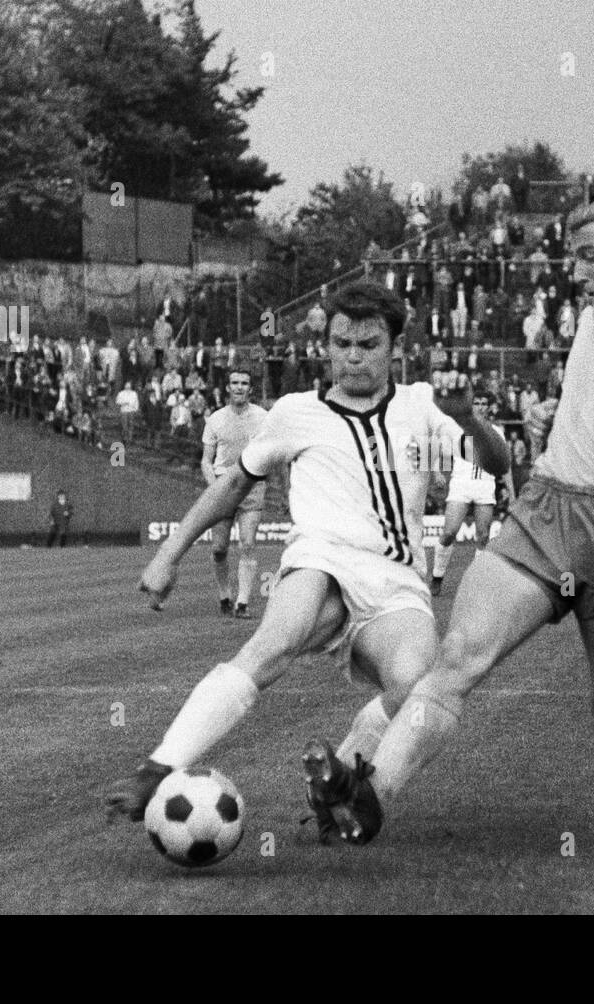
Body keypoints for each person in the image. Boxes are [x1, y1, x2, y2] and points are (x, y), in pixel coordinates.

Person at [304, 194, 594, 845]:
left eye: (589, 256)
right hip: (549, 509)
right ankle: (370, 792)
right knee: (459, 656)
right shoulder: (588, 318)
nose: (574, 271)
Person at [102, 282, 509, 839]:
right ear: (327, 345)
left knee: (415, 688)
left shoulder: (421, 406)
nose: (352, 356)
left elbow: (497, 460)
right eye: (341, 343)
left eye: (367, 344)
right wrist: (171, 553)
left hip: (394, 579)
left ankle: (337, 784)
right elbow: (231, 484)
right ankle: (159, 768)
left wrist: (471, 421)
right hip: (319, 557)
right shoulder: (295, 412)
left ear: (394, 347)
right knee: (275, 641)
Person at [430, 392, 515, 595]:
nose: (480, 406)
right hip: (461, 483)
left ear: (489, 407)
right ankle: (437, 575)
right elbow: (436, 449)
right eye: (476, 402)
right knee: (450, 532)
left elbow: (506, 465)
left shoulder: (497, 431)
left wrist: (512, 494)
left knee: (483, 536)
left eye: (484, 403)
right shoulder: (458, 430)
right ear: (471, 405)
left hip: (485, 484)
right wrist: (436, 472)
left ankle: (476, 583)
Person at [200, 370, 268, 619]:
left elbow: (271, 450)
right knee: (219, 548)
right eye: (235, 383)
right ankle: (224, 594)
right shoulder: (215, 419)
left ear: (250, 388)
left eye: (244, 383)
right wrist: (214, 487)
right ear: (227, 387)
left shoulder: (263, 417)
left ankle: (242, 602)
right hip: (223, 486)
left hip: (252, 485)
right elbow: (206, 461)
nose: (239, 387)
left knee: (248, 543)